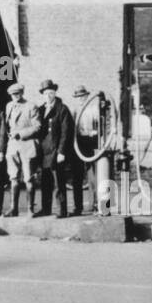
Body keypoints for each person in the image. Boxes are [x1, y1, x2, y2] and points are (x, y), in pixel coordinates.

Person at [36, 79, 73, 218]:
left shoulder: (62, 109)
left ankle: (62, 210)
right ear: (42, 95)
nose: (48, 96)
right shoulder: (40, 110)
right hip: (44, 152)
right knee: (45, 182)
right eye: (46, 93)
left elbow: (66, 132)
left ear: (55, 93)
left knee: (58, 182)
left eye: (51, 93)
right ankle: (46, 209)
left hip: (56, 151)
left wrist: (61, 151)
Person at [4, 83, 40, 217]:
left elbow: (37, 126)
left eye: (17, 94)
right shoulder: (9, 106)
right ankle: (14, 209)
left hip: (27, 145)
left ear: (22, 93)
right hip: (13, 146)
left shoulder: (31, 106)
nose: (15, 97)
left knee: (28, 179)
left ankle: (30, 209)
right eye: (13, 95)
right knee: (13, 178)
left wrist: (20, 133)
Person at [68, 85, 98, 216]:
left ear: (87, 96)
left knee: (93, 175)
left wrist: (95, 132)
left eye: (83, 96)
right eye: (78, 97)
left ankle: (95, 204)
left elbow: (101, 123)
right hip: (78, 144)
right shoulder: (73, 110)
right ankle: (78, 206)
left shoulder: (93, 109)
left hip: (91, 142)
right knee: (77, 176)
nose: (81, 99)